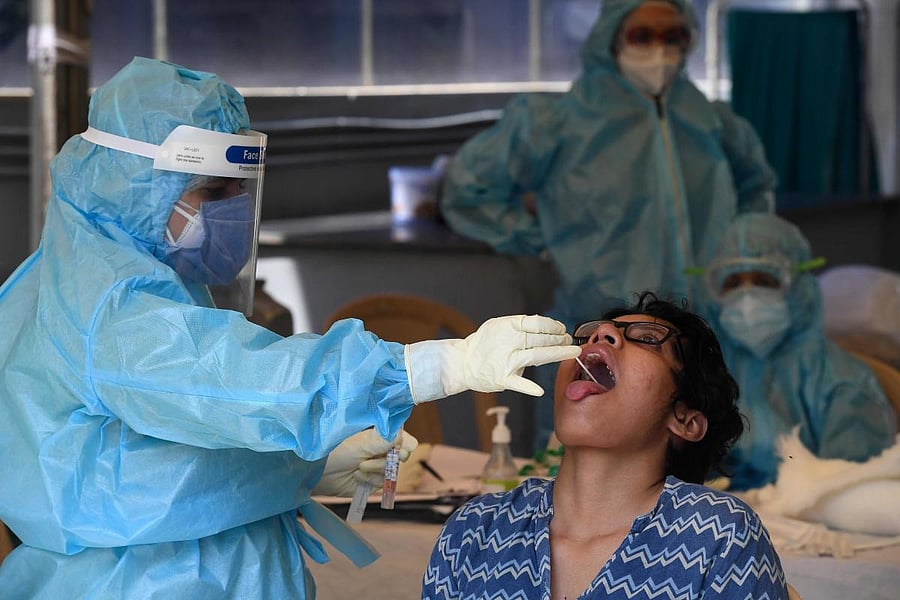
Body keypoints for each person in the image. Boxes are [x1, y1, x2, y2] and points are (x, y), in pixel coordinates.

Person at [0, 57, 581, 599]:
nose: (230, 209)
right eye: (213, 192)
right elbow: (237, 381)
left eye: (238, 192)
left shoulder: (90, 264)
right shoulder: (115, 306)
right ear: (139, 187)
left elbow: (168, 447)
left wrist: (302, 465)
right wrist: (436, 366)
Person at [440, 0, 777, 449]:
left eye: (673, 36)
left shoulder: (708, 119)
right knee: (589, 465)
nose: (661, 49)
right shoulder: (559, 122)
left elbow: (756, 188)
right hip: (601, 326)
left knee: (704, 459)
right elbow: (468, 189)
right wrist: (545, 240)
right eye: (644, 35)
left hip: (704, 330)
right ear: (611, 38)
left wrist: (739, 259)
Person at [422, 291, 790, 599]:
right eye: (588, 337)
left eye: (646, 338)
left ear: (685, 420)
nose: (601, 336)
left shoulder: (716, 537)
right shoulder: (474, 530)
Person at [695, 212, 897, 491]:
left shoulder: (844, 384)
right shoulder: (708, 374)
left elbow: (855, 491)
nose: (747, 298)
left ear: (800, 288)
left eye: (764, 281)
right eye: (732, 284)